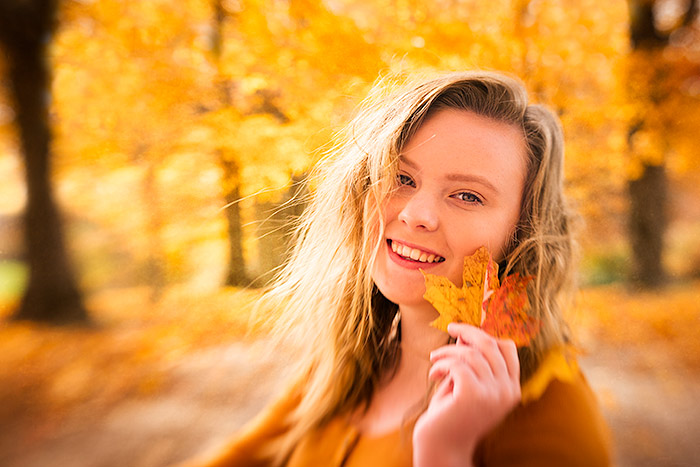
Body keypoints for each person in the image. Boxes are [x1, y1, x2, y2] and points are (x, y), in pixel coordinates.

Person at [186, 71, 612, 466]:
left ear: (521, 233)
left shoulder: (550, 408)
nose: (417, 213)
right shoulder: (351, 362)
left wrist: (444, 452)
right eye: (402, 179)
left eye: (467, 196)